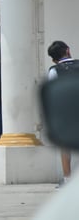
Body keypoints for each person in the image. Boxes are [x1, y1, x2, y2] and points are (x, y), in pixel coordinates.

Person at [47, 40, 79, 186]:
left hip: (67, 114)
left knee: (65, 147)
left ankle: (67, 179)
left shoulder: (54, 70)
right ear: (67, 50)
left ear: (54, 59)